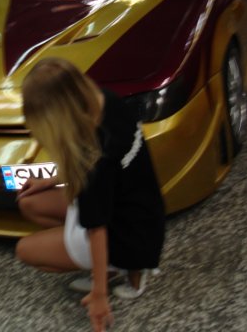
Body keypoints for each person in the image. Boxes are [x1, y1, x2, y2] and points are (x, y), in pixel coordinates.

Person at [15, 58, 165, 332]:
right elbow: (108, 175)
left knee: (25, 250)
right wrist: (49, 180)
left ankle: (120, 267)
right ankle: (114, 265)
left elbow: (97, 229)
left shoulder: (93, 162)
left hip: (126, 237)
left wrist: (99, 295)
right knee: (29, 203)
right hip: (143, 214)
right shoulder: (105, 101)